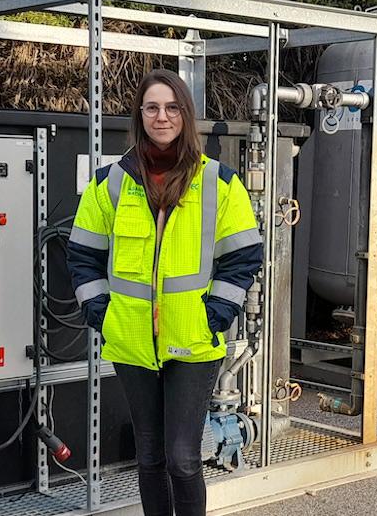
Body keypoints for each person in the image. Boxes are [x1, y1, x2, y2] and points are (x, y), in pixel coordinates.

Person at [67, 69, 263, 515]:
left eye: (172, 107)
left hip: (194, 340)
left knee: (183, 458)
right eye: (153, 107)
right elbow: (81, 255)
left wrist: (216, 313)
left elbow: (244, 255)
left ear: (185, 115)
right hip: (132, 339)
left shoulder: (219, 182)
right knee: (150, 457)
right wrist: (102, 311)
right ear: (140, 114)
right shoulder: (108, 184)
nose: (162, 116)